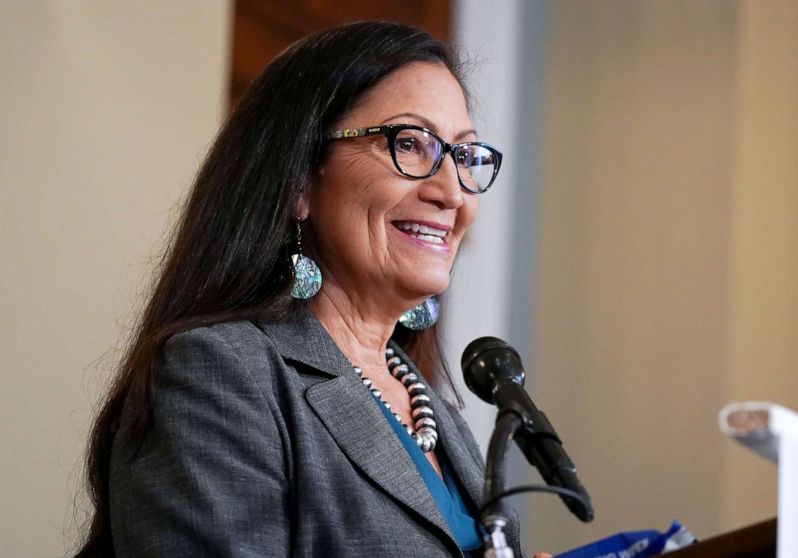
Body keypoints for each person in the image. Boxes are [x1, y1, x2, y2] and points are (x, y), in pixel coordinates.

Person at [75, 21, 526, 557]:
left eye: (466, 157)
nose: (452, 192)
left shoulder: (439, 413)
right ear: (300, 182)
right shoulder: (218, 374)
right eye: (410, 143)